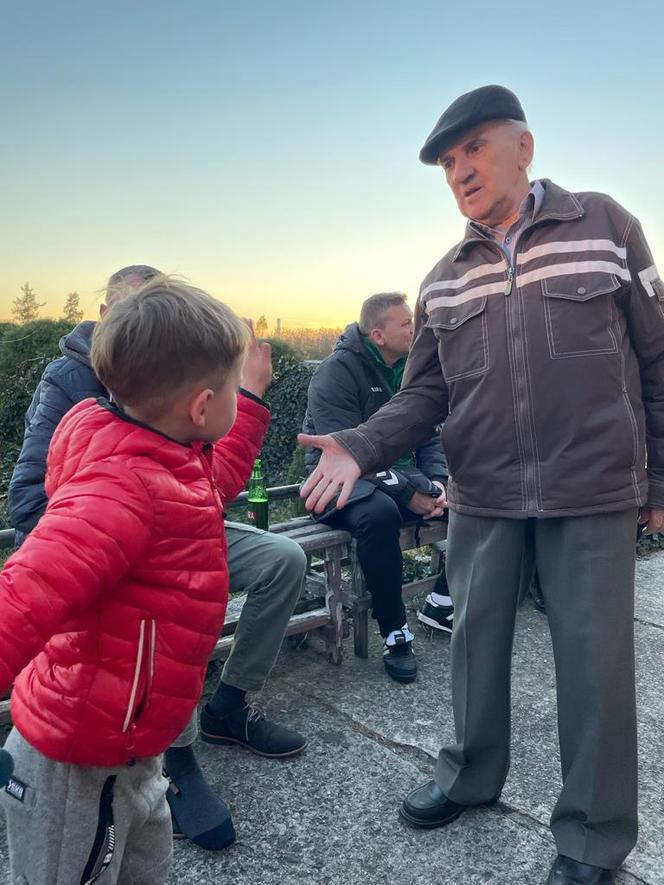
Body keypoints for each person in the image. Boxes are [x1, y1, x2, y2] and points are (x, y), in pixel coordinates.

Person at [299, 85, 664, 884]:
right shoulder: (440, 281)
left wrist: (659, 477)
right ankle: (468, 773)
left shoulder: (606, 226)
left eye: (474, 150)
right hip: (486, 489)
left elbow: (656, 358)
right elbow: (424, 396)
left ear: (523, 148)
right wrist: (359, 446)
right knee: (473, 644)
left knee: (593, 665)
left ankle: (593, 837)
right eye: (447, 162)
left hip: (593, 486)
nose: (460, 170)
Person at [6, 265, 308, 851]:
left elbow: (208, 483)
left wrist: (246, 399)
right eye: (229, 385)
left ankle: (211, 725)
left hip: (133, 739)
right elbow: (19, 600)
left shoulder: (166, 447)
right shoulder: (118, 493)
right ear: (200, 407)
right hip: (79, 758)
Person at [302, 292, 451, 683]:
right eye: (406, 324)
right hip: (333, 483)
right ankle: (395, 633)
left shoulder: (410, 370)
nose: (414, 329)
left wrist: (437, 483)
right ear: (378, 334)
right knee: (379, 514)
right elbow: (344, 454)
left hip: (396, 477)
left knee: (476, 497)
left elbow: (429, 437)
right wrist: (409, 494)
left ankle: (443, 601)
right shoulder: (336, 373)